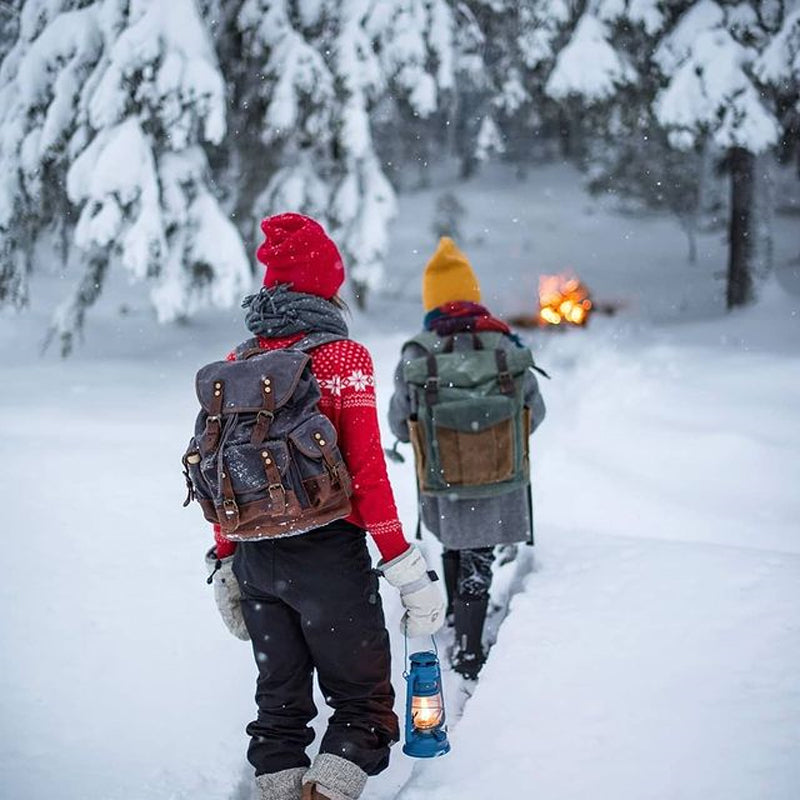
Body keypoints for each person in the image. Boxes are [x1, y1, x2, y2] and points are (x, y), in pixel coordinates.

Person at [204, 213, 445, 800]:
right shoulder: (342, 358)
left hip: (258, 558)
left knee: (280, 711)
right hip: (328, 555)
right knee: (364, 708)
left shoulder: (237, 361)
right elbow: (366, 474)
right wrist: (405, 567)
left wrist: (225, 558)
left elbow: (222, 471)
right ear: (325, 286)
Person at [388, 237, 545, 680]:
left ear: (431, 301)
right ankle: (468, 648)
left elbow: (400, 425)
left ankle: (462, 631)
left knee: (457, 541)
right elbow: (537, 412)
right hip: (501, 476)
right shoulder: (505, 345)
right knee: (480, 555)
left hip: (444, 481)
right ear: (472, 294)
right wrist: (491, 440)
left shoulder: (418, 352)